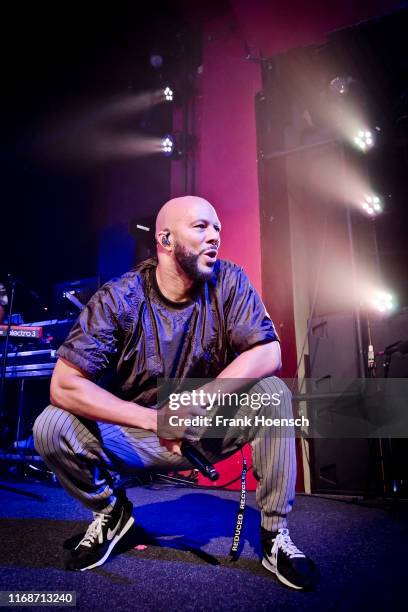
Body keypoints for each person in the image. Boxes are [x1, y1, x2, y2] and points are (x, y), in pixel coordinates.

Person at [33, 196, 318, 590]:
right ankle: (113, 515)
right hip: (138, 433)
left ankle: (274, 535)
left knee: (272, 392)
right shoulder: (120, 297)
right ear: (165, 239)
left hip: (206, 428)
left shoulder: (230, 281)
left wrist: (197, 401)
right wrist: (155, 419)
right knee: (50, 425)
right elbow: (63, 384)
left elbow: (269, 350)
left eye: (217, 228)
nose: (215, 236)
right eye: (201, 227)